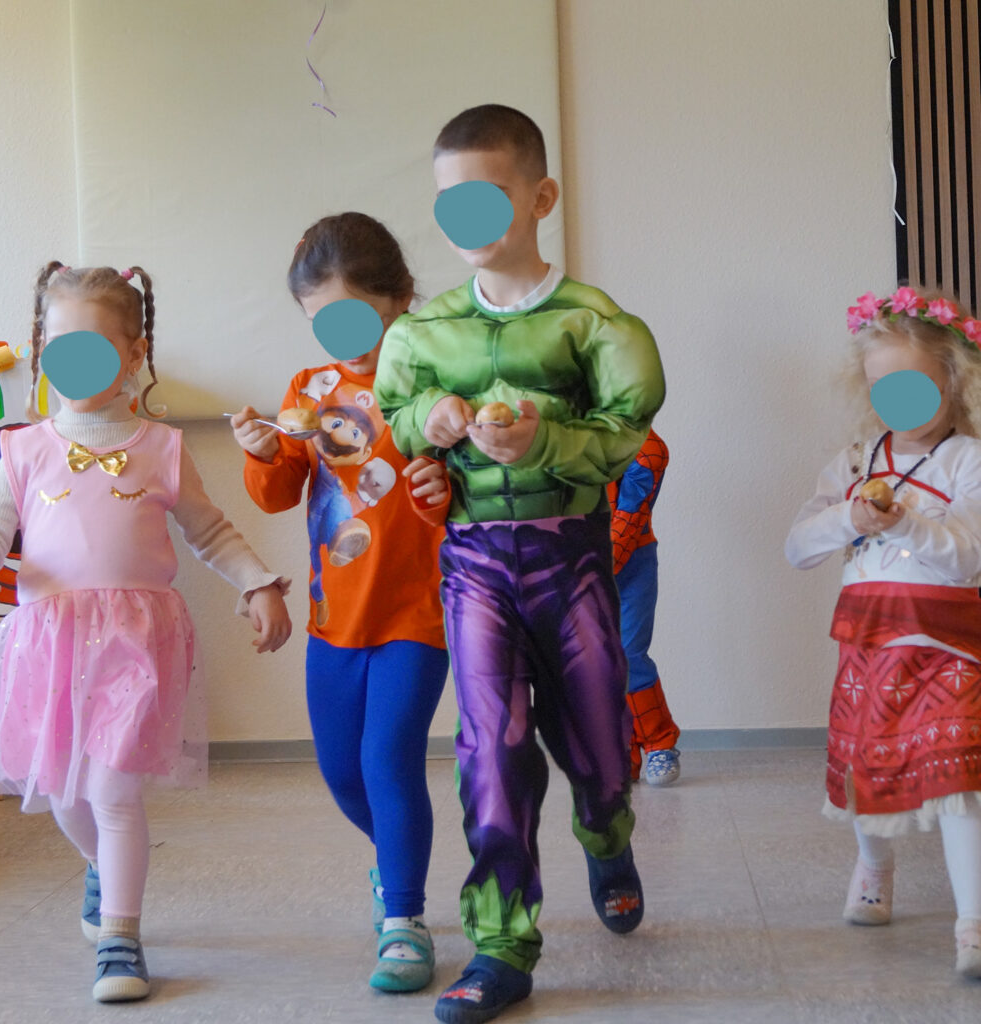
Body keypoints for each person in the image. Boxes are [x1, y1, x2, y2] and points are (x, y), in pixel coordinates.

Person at [375, 104, 665, 1024]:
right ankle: (501, 944)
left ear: (540, 198)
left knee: (599, 746)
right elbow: (396, 416)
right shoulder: (424, 333)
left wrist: (543, 440)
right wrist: (429, 422)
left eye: (488, 197)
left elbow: (627, 430)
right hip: (473, 563)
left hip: (570, 554)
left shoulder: (594, 322)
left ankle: (607, 834)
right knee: (489, 750)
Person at [0, 262, 292, 1002]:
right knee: (64, 792)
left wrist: (259, 582)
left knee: (111, 790)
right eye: (58, 345)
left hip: (134, 644)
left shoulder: (161, 446)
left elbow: (210, 531)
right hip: (49, 642)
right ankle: (102, 867)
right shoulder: (24, 448)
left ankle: (120, 938)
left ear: (134, 354)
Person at [231, 213, 450, 993]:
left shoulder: (435, 385)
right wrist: (263, 456)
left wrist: (445, 484)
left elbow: (468, 490)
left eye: (359, 318)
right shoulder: (309, 390)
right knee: (342, 772)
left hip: (418, 613)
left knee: (388, 760)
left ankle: (404, 918)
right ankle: (394, 863)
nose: (345, 340)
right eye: (326, 324)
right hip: (335, 619)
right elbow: (278, 492)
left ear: (399, 298)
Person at [786, 287, 981, 977]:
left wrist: (905, 524)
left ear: (952, 381)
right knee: (867, 768)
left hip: (948, 643)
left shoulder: (968, 461)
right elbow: (798, 548)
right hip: (867, 640)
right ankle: (874, 866)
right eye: (883, 387)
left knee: (961, 776)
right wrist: (850, 517)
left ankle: (973, 922)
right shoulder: (853, 462)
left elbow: (968, 557)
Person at [609, 428, 682, 785]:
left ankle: (659, 742)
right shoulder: (560, 435)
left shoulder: (645, 445)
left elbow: (629, 517)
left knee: (629, 653)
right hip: (576, 558)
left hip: (631, 560)